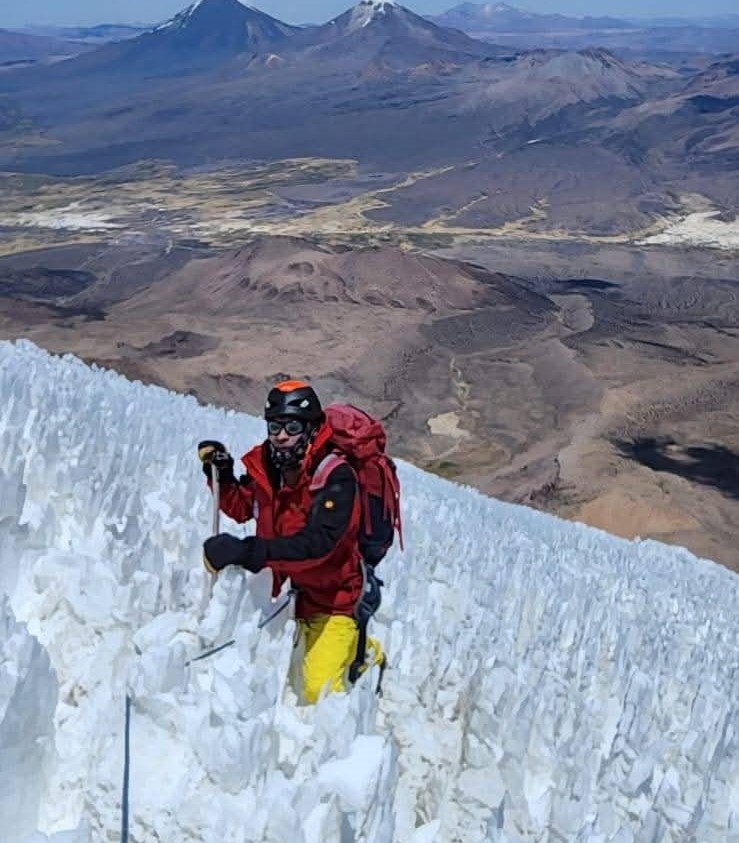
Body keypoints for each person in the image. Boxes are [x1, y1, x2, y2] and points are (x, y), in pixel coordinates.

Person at [199, 379, 384, 704]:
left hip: (333, 600)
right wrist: (223, 477)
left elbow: (318, 545)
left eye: (292, 426)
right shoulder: (269, 467)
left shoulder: (336, 476)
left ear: (311, 428)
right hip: (287, 597)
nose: (281, 435)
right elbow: (244, 507)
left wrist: (249, 552)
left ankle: (367, 654)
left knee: (315, 691)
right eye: (275, 426)